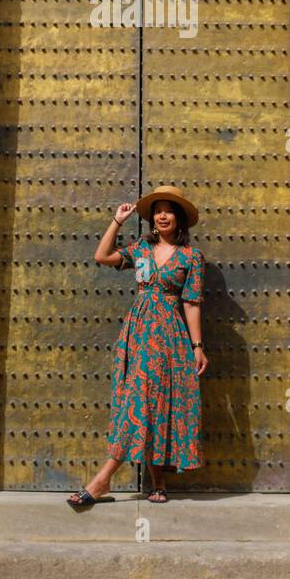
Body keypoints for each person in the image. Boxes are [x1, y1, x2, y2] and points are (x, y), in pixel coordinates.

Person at [67, 185, 208, 508]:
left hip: (170, 335)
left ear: (179, 218)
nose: (161, 215)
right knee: (140, 399)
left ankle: (108, 481)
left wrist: (197, 346)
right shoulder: (141, 248)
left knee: (155, 402)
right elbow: (101, 256)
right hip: (138, 333)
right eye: (157, 210)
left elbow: (192, 303)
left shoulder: (191, 257)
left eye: (168, 210)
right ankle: (151, 481)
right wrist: (117, 222)